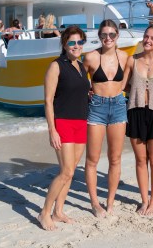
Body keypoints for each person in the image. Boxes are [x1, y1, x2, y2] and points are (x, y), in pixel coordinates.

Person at [38, 26, 90, 231]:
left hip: (81, 122)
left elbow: (79, 92)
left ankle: (58, 211)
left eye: (80, 42)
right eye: (72, 42)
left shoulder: (81, 66)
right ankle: (44, 212)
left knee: (71, 171)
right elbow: (48, 101)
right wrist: (52, 129)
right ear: (64, 44)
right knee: (66, 171)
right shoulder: (56, 66)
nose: (76, 46)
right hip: (64, 123)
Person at [123, 25, 153, 216]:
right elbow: (122, 85)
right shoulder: (132, 60)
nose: (148, 40)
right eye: (146, 37)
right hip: (135, 112)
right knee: (140, 160)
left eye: (152, 38)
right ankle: (144, 200)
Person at [83, 19, 128, 217]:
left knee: (115, 158)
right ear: (99, 36)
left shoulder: (125, 57)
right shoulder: (91, 57)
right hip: (97, 108)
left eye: (111, 35)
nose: (107, 38)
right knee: (92, 159)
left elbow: (130, 82)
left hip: (118, 106)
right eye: (103, 35)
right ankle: (94, 202)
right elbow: (79, 81)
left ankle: (110, 201)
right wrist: (86, 93)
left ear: (117, 36)